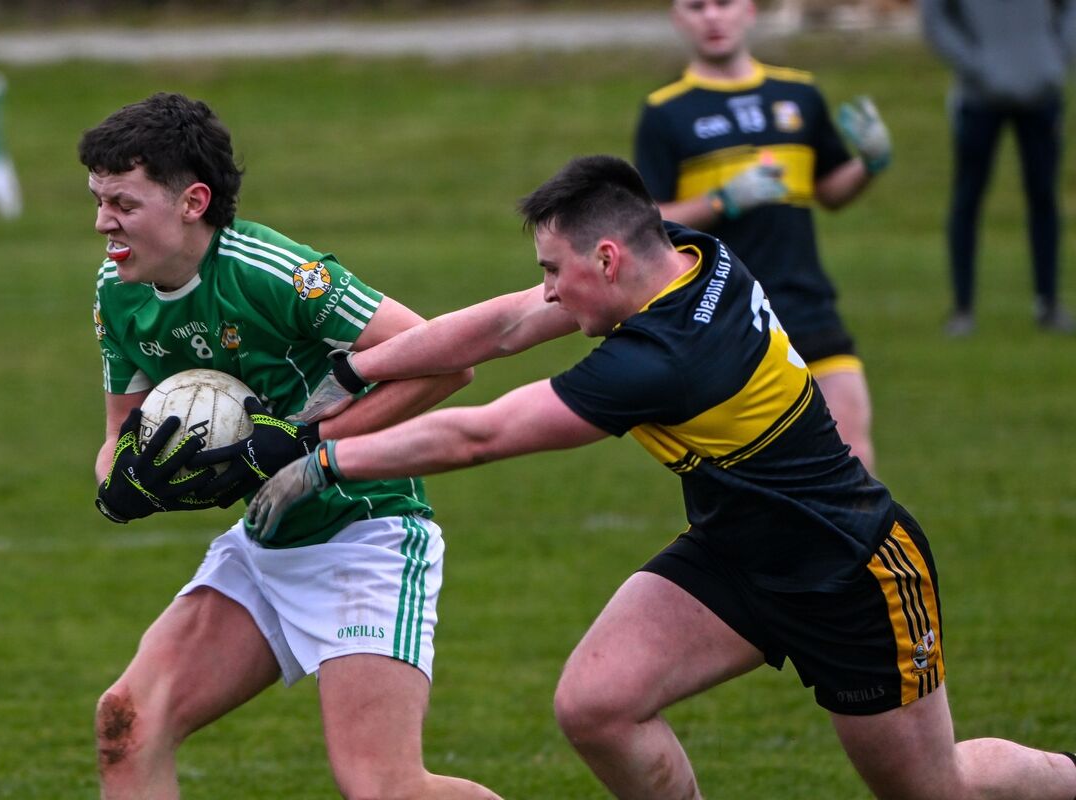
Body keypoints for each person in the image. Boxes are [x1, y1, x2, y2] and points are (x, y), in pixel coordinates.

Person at [254, 156, 1076, 800]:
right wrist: (355, 371)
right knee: (597, 705)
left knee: (937, 789)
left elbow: (480, 434)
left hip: (849, 572)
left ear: (606, 259)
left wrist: (323, 459)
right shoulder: (684, 255)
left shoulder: (664, 360)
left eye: (553, 268)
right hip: (734, 555)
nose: (545, 288)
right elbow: (507, 323)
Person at [80, 92, 501, 800]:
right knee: (128, 724)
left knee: (383, 786)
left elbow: (443, 359)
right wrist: (121, 482)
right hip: (267, 540)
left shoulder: (276, 273)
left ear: (192, 202)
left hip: (365, 534)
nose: (102, 223)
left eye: (122, 203)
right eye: (96, 200)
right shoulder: (118, 291)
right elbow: (120, 433)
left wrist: (305, 442)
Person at [632, 0, 892, 472]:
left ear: (749, 11)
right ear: (678, 19)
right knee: (764, 471)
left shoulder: (799, 93)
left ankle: (866, 547)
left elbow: (830, 190)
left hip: (808, 303)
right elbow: (648, 222)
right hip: (727, 315)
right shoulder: (666, 111)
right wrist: (722, 200)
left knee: (853, 453)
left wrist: (868, 164)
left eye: (724, 4)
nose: (712, 17)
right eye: (696, 7)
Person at [920, 0, 1076, 336]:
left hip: (1042, 93)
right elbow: (936, 19)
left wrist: (1055, 56)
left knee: (1044, 196)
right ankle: (963, 308)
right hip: (978, 97)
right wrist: (975, 64)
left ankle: (1047, 304)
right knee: (967, 198)